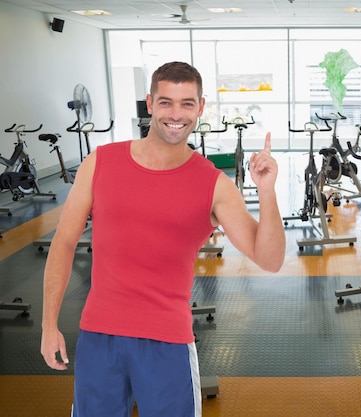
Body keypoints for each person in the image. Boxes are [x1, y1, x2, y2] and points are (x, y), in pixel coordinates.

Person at [40, 61, 286, 417]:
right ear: (150, 103)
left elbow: (270, 259)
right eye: (166, 102)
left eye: (187, 103)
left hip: (167, 342)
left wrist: (266, 190)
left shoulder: (213, 183)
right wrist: (49, 325)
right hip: (98, 335)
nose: (177, 114)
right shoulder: (101, 162)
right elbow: (63, 243)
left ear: (201, 108)